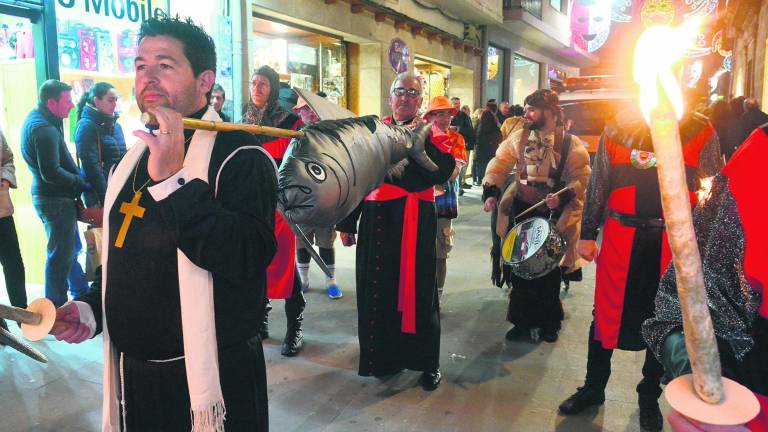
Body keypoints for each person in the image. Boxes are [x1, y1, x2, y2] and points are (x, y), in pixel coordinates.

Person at [52, 17, 276, 431]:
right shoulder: (133, 157)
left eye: (165, 65)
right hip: (135, 375)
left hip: (212, 383)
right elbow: (129, 257)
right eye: (140, 65)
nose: (148, 77)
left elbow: (247, 256)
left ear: (205, 80)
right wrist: (89, 306)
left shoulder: (241, 155)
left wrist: (175, 181)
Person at [558, 106, 722, 431]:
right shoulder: (619, 127)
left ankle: (648, 396)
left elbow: (716, 190)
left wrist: (706, 245)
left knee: (662, 320)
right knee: (605, 315)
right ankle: (594, 388)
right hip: (621, 238)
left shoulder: (700, 131)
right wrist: (588, 233)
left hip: (672, 243)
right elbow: (599, 183)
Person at [642, 124, 768, 432]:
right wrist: (701, 375)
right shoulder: (761, 154)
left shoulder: (703, 130)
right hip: (747, 401)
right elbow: (683, 311)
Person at [336, 72, 455, 390]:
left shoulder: (432, 133)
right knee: (378, 291)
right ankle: (381, 360)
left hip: (417, 220)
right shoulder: (371, 132)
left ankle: (427, 363)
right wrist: (347, 222)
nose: (405, 97)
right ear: (390, 97)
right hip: (377, 219)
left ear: (420, 101)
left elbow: (441, 171)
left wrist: (402, 171)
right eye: (399, 91)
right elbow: (357, 178)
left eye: (413, 93)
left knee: (422, 293)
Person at [482, 89, 591, 343]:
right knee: (520, 271)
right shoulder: (518, 138)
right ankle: (521, 322)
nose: (527, 114)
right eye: (527, 108)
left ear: (550, 112)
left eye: (532, 109)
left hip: (552, 216)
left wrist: (562, 196)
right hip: (521, 209)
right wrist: (491, 191)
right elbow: (499, 165)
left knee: (548, 273)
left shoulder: (569, 143)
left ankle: (549, 323)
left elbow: (582, 178)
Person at [245, 65, 308, 356]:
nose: (257, 88)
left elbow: (300, 165)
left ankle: (295, 325)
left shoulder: (290, 123)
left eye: (263, 84)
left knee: (284, 264)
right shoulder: (240, 122)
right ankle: (261, 317)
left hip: (281, 206)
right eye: (254, 83)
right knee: (256, 265)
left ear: (272, 88)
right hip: (251, 207)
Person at [20, 79, 89, 307]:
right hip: (54, 200)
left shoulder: (36, 120)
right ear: (51, 102)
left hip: (51, 199)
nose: (71, 105)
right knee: (60, 256)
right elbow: (51, 172)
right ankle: (55, 309)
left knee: (69, 251)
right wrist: (80, 182)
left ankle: (81, 293)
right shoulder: (44, 129)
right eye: (67, 101)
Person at [292, 96, 343, 299]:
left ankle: (331, 280)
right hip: (301, 199)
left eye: (312, 109)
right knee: (301, 241)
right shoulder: (294, 134)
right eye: (305, 110)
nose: (309, 113)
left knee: (326, 241)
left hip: (325, 198)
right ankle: (303, 279)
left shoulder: (329, 134)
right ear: (299, 113)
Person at [426, 96, 466, 300]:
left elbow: (453, 173)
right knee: (419, 251)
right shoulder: (421, 137)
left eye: (448, 114)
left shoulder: (456, 139)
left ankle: (437, 297)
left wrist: (426, 173)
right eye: (439, 113)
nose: (445, 118)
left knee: (441, 252)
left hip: (444, 203)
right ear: (429, 116)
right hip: (419, 203)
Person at [75, 82, 127, 207]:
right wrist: (106, 199)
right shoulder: (86, 126)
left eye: (116, 99)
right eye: (110, 100)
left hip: (117, 190)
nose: (115, 104)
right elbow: (92, 169)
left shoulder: (116, 125)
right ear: (97, 101)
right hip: (98, 195)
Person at [0, 126, 26, 313]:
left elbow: (8, 158)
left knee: (14, 263)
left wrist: (6, 180)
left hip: (2, 209)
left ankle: (22, 312)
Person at [475, 102, 502, 186]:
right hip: (491, 148)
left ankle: (481, 180)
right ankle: (487, 181)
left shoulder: (480, 123)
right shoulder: (493, 123)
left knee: (481, 165)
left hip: (480, 148)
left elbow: (475, 134)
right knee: (489, 165)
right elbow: (499, 136)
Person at [450, 97, 473, 190]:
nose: (457, 105)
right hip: (450, 147)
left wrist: (458, 129)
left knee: (461, 167)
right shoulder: (447, 115)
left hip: (463, 145)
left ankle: (459, 187)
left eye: (458, 103)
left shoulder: (464, 116)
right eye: (455, 103)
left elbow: (470, 130)